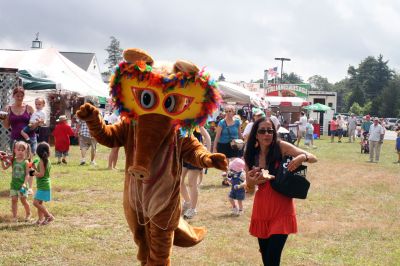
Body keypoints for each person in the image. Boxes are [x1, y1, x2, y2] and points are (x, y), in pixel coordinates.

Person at [244, 117, 317, 265]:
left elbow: (313, 158)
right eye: (262, 131)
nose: (267, 134)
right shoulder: (251, 155)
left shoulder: (281, 147)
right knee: (266, 257)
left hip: (282, 210)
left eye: (270, 131)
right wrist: (251, 183)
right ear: (256, 134)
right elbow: (250, 191)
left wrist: (301, 157)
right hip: (262, 210)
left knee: (273, 257)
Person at [180, 126, 211, 219]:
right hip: (184, 155)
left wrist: (207, 155)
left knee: (191, 183)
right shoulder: (180, 124)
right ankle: (187, 202)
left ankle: (193, 209)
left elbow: (208, 137)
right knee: (179, 180)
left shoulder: (196, 124)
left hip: (196, 155)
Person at [0, 141, 32, 222]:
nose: (20, 151)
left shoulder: (27, 162)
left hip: (23, 186)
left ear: (26, 151)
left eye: (23, 150)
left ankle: (28, 214)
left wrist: (24, 184)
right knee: (14, 200)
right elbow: (4, 168)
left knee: (23, 200)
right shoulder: (13, 160)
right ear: (15, 150)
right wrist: (2, 161)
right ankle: (14, 217)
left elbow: (28, 174)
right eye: (19, 149)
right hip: (14, 185)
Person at [1, 86, 39, 154]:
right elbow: (6, 126)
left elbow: (34, 125)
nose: (20, 98)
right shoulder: (8, 109)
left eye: (22, 96)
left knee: (29, 162)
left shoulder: (29, 108)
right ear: (13, 96)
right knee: (16, 162)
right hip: (15, 139)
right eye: (17, 96)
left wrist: (37, 123)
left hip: (29, 139)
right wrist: (5, 115)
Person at [32, 142, 54, 225]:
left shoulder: (42, 161)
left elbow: (41, 174)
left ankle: (49, 216)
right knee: (40, 203)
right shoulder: (46, 161)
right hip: (44, 185)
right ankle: (40, 220)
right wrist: (34, 168)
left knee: (35, 203)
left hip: (43, 186)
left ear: (38, 152)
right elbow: (42, 172)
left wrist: (33, 172)